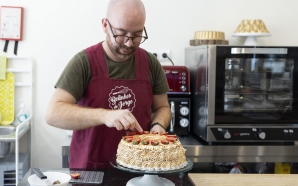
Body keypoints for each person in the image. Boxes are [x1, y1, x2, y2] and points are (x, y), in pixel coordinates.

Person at [45, 0, 171, 169]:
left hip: (140, 170)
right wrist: (105, 116)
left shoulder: (151, 63)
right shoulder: (84, 62)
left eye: (137, 35)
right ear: (105, 25)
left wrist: (158, 125)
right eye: (120, 34)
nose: (128, 43)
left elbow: (162, 108)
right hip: (92, 171)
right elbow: (53, 114)